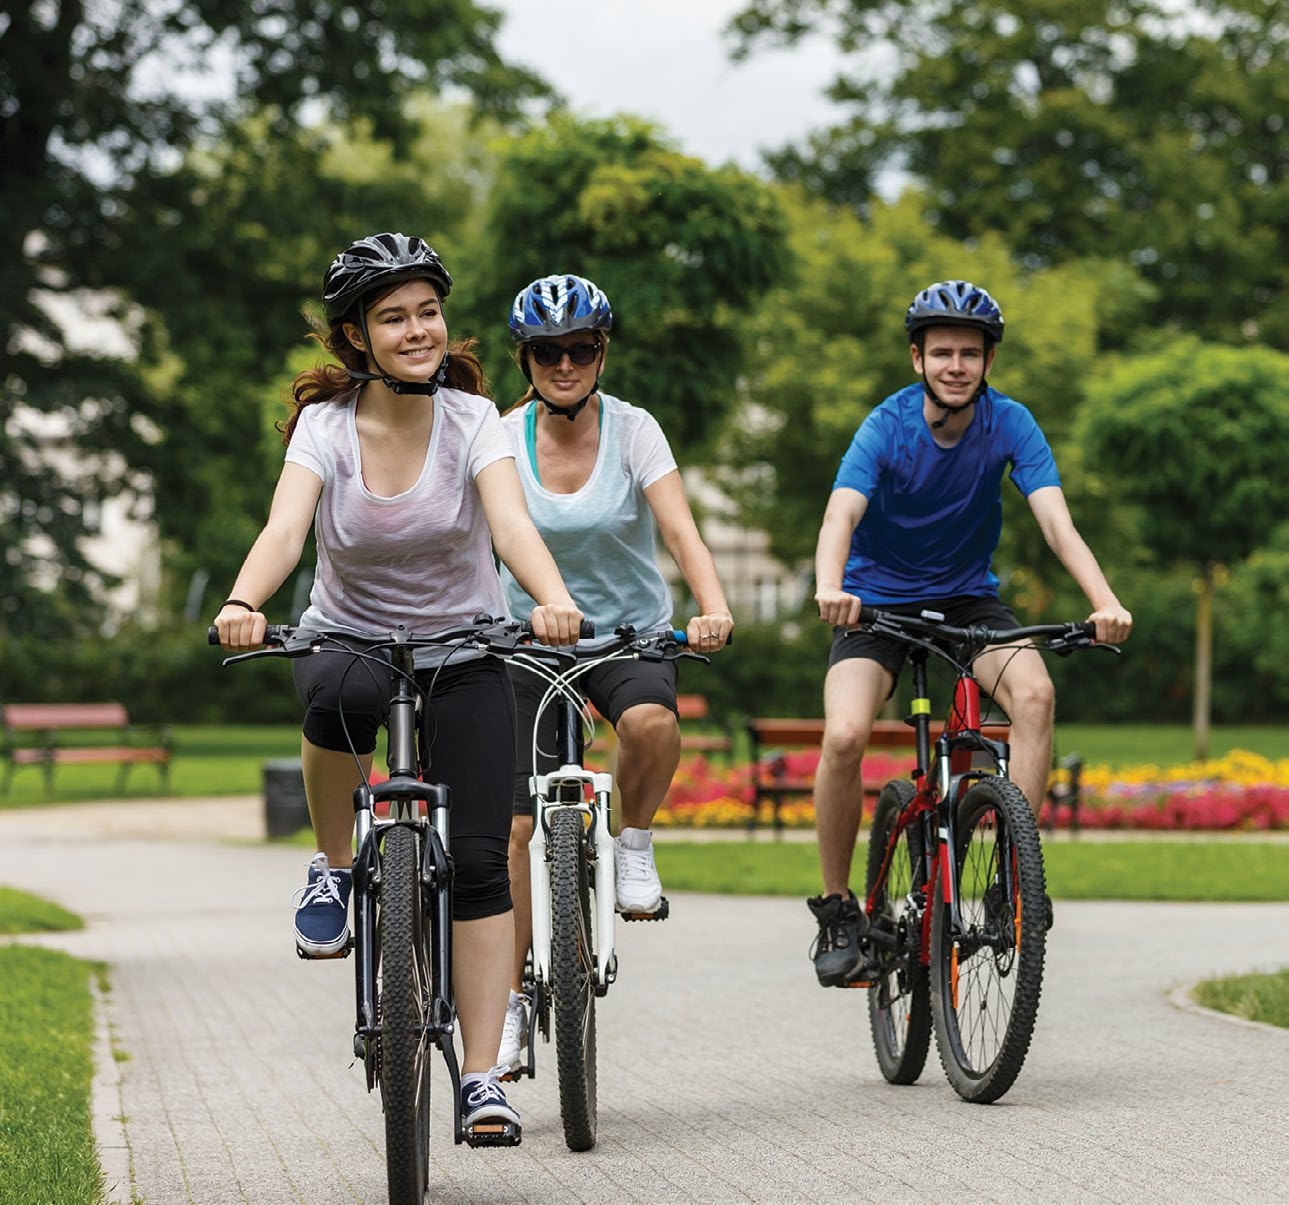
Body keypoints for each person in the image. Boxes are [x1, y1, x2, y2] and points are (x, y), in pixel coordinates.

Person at [211, 232, 583, 1133]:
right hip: (353, 639)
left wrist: (553, 599)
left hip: (463, 644)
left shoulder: (473, 421)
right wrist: (243, 597)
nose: (417, 330)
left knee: (488, 863)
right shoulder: (325, 428)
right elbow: (283, 532)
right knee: (332, 693)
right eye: (393, 317)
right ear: (356, 336)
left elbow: (511, 525)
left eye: (427, 311)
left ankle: (483, 1075)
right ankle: (335, 865)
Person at [808, 279, 1132, 987]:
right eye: (941, 352)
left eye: (969, 353)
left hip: (968, 602)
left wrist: (1103, 601)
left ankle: (1012, 875)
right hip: (874, 606)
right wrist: (831, 586)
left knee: (1036, 697)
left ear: (988, 361)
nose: (955, 365)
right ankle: (836, 906)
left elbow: (1055, 521)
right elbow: (840, 514)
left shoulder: (1010, 423)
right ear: (916, 357)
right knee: (841, 736)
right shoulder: (885, 425)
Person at [493, 273, 734, 1073]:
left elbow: (680, 527)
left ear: (601, 352)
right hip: (522, 636)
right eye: (548, 351)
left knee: (650, 723)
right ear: (525, 358)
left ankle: (633, 842)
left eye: (581, 348)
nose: (565, 363)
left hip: (625, 633)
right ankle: (516, 998)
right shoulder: (497, 436)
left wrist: (710, 603)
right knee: (516, 824)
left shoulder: (635, 431)